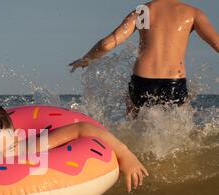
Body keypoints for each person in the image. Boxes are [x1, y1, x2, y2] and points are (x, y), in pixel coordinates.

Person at [69, 0, 219, 116]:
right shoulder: (192, 13)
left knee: (134, 127)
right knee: (181, 129)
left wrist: (86, 59)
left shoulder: (143, 12)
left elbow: (107, 44)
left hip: (142, 82)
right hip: (174, 83)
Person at [0, 103, 148, 193]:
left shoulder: (26, 148)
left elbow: (82, 128)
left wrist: (124, 153)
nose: (3, 156)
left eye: (9, 147)